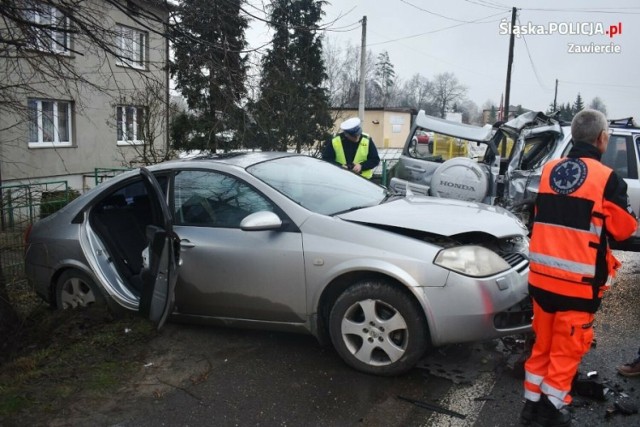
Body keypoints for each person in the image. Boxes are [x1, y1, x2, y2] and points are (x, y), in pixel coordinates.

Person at [520, 109, 637, 427]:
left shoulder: (548, 171)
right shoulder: (605, 179)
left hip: (541, 280)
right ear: (601, 139)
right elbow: (623, 230)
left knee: (542, 345)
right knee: (567, 350)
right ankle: (552, 410)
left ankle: (530, 407)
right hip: (577, 284)